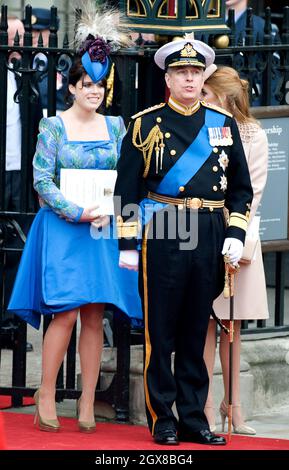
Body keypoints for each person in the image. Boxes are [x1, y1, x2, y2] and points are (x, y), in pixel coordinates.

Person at [114, 36, 253, 446]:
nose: (190, 79)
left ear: (202, 76)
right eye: (181, 72)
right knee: (162, 330)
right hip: (165, 230)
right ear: (169, 79)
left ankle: (194, 418)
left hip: (209, 231)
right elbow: (126, 191)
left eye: (195, 72)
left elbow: (240, 189)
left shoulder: (222, 124)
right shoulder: (145, 125)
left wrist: (235, 232)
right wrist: (125, 245)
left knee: (197, 329)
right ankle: (163, 419)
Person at [8, 12, 142, 433]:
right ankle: (45, 391)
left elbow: (126, 177)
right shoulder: (53, 126)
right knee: (64, 312)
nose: (95, 92)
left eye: (100, 86)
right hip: (66, 228)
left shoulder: (118, 127)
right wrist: (76, 210)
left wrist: (115, 214)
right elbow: (41, 180)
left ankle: (87, 399)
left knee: (93, 314)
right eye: (87, 85)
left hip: (101, 228)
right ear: (72, 87)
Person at [201, 64, 269, 435]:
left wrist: (229, 231)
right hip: (200, 235)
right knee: (203, 327)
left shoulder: (252, 133)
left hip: (235, 238)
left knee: (232, 326)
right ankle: (206, 406)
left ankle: (234, 405)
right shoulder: (202, 126)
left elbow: (252, 192)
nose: (200, 98)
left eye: (207, 94)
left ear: (223, 97)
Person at [1, 17, 42, 352]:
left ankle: (10, 324)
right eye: (14, 38)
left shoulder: (23, 77)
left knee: (17, 245)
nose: (18, 45)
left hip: (18, 172)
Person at [30, 8, 67, 115]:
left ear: (52, 31)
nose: (33, 35)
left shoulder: (63, 64)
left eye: (38, 30)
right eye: (30, 30)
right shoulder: (19, 61)